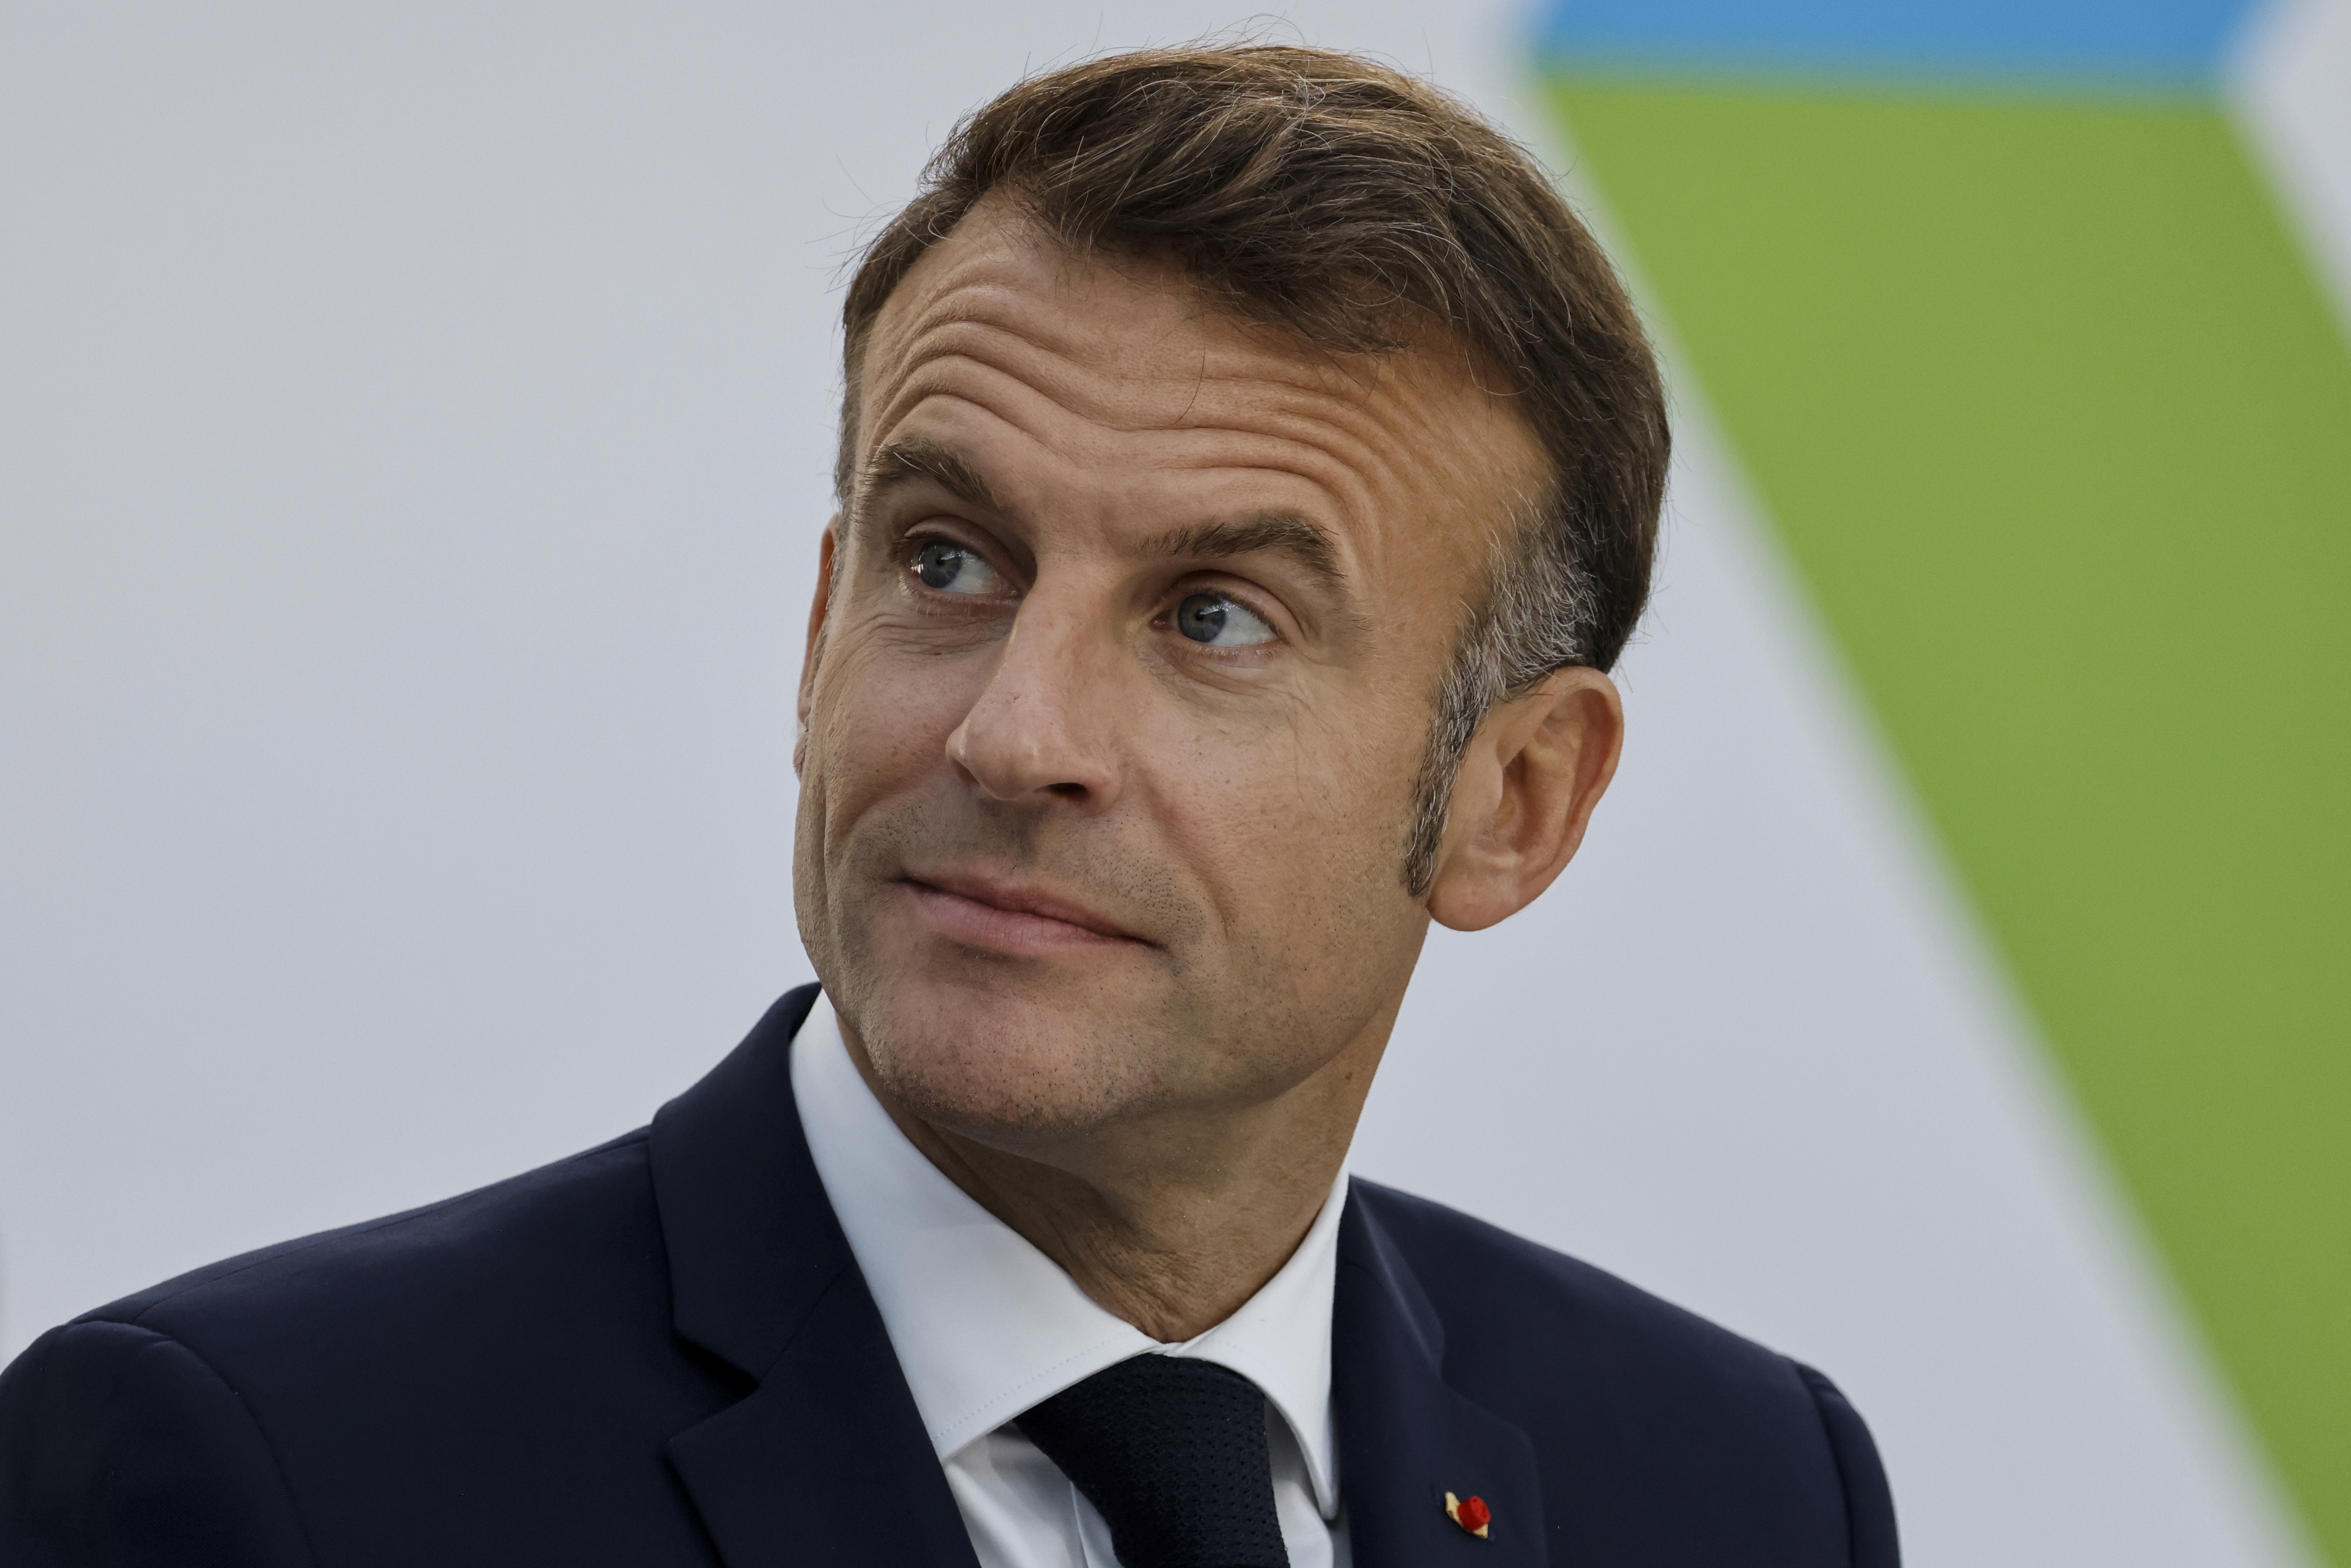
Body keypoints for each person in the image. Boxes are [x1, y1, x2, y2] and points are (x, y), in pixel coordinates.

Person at [0, 44, 1897, 1568]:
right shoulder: (267, 1475)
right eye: (950, 561)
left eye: (1214, 616)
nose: (1012, 732)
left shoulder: (1744, 1487)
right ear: (819, 625)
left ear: (1516, 798)